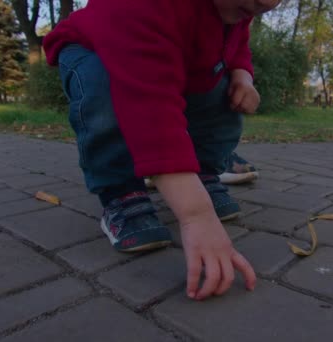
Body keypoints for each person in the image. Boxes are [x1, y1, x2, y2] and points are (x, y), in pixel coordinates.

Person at [45, 0, 282, 301]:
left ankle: (204, 171)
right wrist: (196, 214)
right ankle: (120, 191)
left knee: (217, 85)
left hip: (173, 58)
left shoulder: (234, 9)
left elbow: (236, 45)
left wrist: (242, 76)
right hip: (96, 51)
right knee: (104, 92)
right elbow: (149, 106)